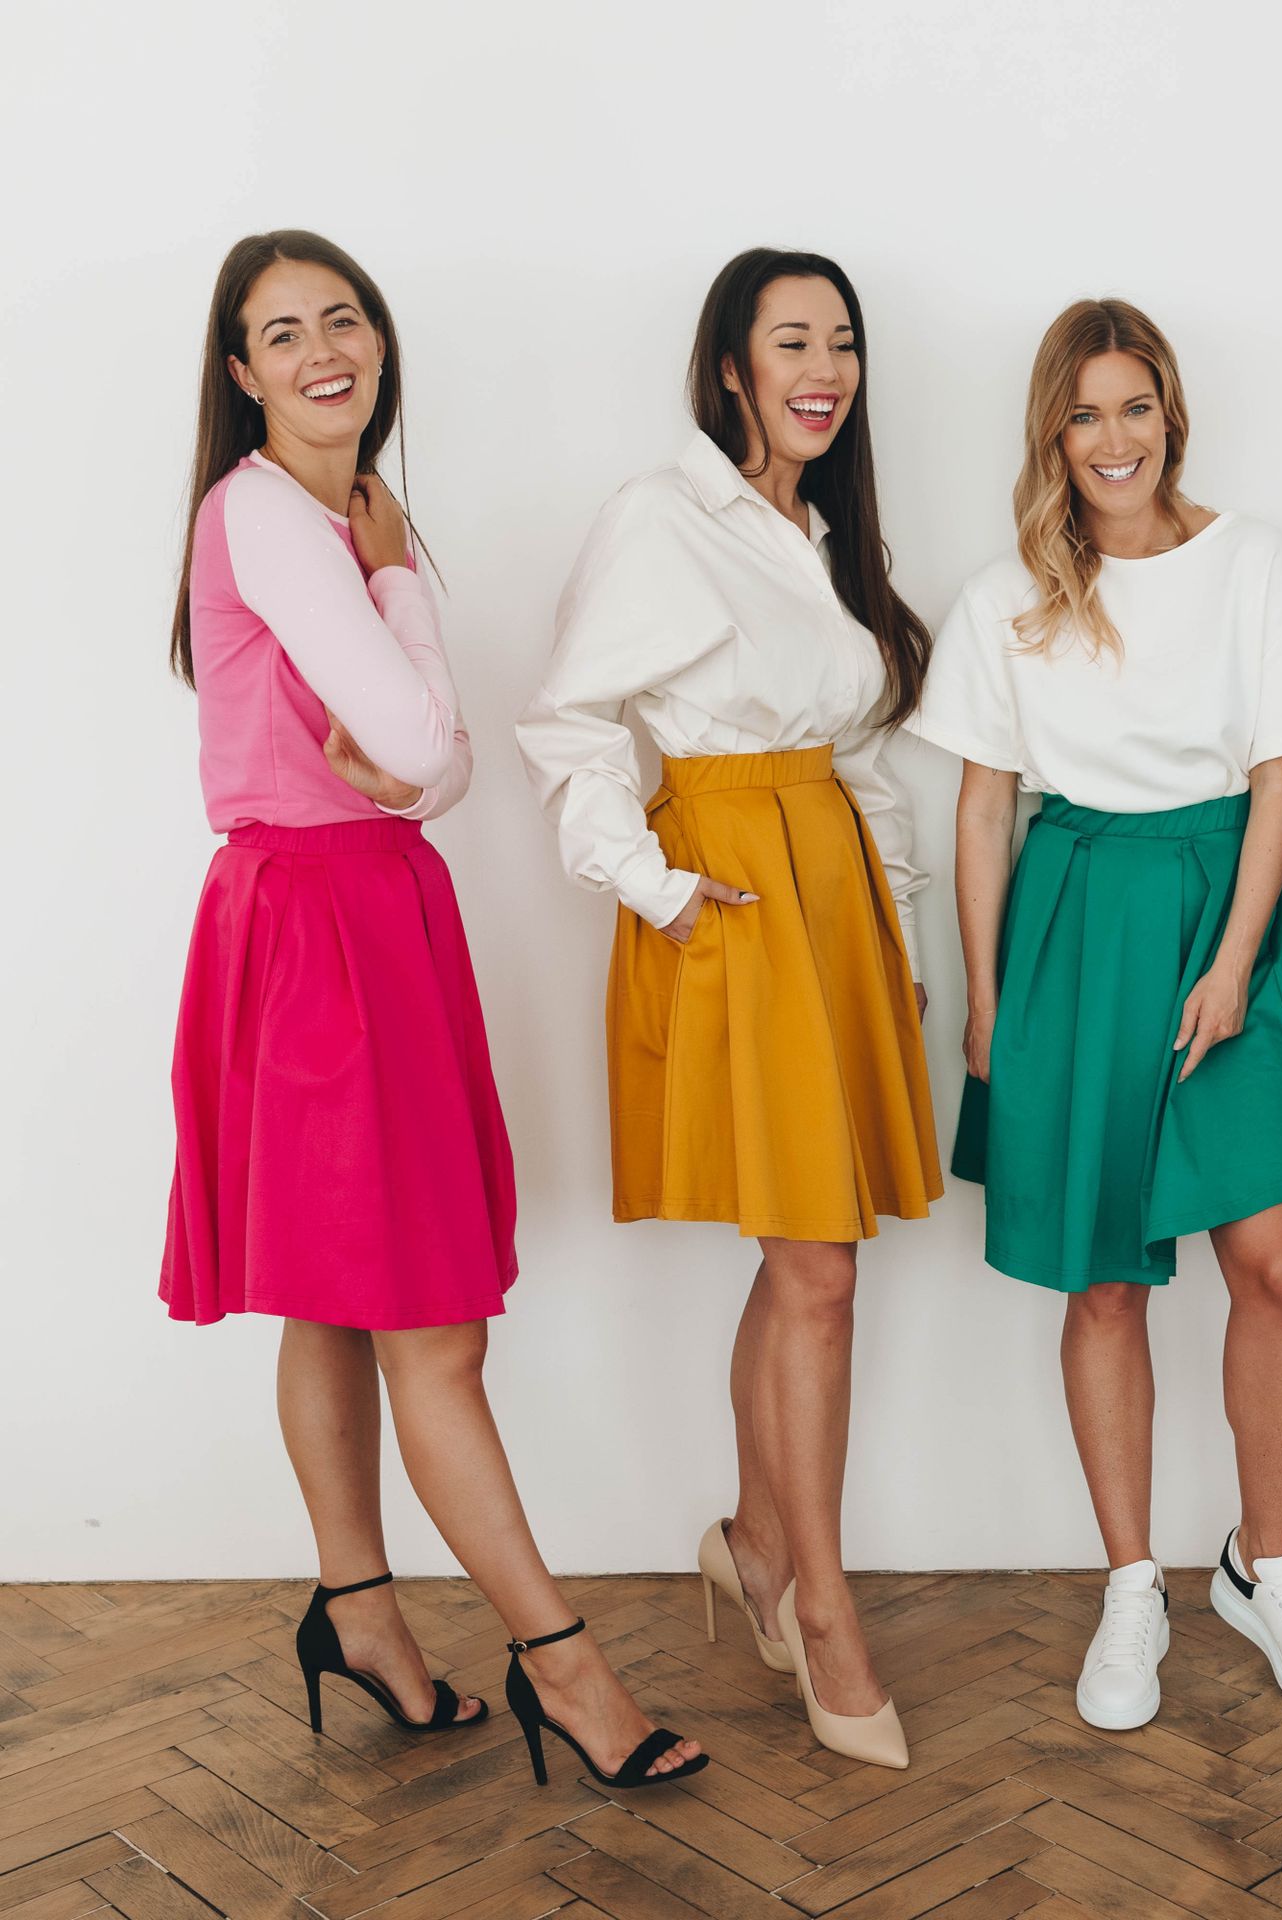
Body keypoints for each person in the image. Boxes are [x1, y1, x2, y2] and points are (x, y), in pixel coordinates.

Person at [162, 229, 704, 1790]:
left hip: (358, 913)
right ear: (241, 371)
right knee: (427, 1330)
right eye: (282, 332)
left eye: (343, 319)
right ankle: (565, 1669)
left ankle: (359, 1615)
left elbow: (440, 773)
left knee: (337, 1297)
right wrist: (400, 585)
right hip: (320, 926)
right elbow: (420, 743)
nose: (322, 350)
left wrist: (423, 741)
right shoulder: (272, 516)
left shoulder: (327, 516)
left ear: (381, 342)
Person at [911, 297, 1282, 1733]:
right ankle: (1131, 1585)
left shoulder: (1255, 565)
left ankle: (1267, 1564)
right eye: (1084, 414)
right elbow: (982, 808)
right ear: (1052, 432)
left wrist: (1234, 964)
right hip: (1074, 918)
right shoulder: (1010, 595)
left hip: (1222, 903)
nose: (1114, 439)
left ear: (1171, 413)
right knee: (1104, 1279)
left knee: (1273, 1266)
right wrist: (989, 1003)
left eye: (1135, 407)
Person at [519, 248, 941, 1769]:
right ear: (731, 367)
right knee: (816, 1264)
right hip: (738, 902)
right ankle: (819, 1602)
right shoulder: (663, 516)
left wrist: (896, 935)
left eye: (843, 342)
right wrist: (653, 885)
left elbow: (861, 761)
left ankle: (760, 1543)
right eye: (793, 342)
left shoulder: (819, 535)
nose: (824, 370)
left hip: (828, 905)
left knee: (806, 1258)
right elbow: (567, 719)